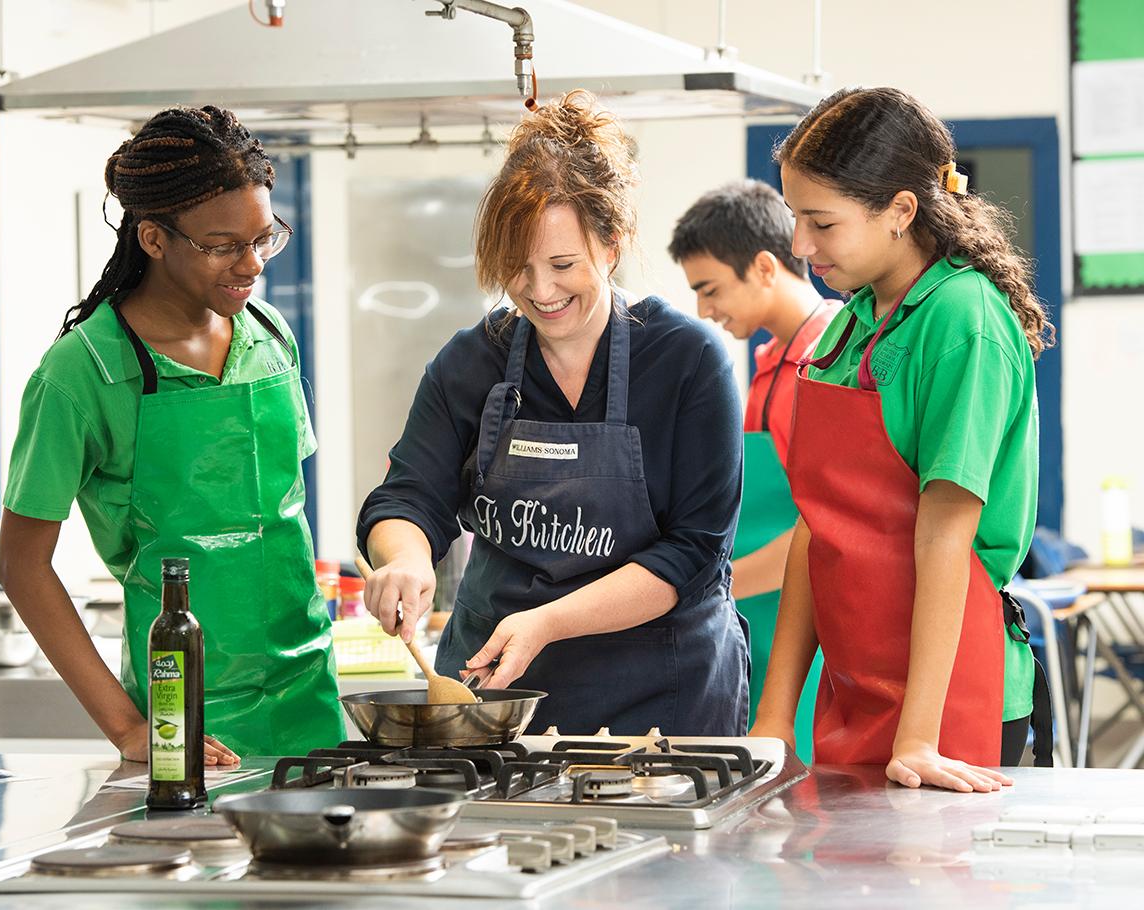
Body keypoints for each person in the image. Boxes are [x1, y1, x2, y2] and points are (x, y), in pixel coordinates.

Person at [357, 90, 748, 735]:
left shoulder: (685, 361)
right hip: (494, 701)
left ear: (612, 244)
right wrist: (405, 558)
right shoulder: (471, 362)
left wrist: (551, 620)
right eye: (517, 267)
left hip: (660, 700)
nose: (540, 291)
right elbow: (408, 496)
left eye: (563, 264)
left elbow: (694, 552)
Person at [0, 106, 344, 762]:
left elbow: (279, 525)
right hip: (186, 723)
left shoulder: (269, 336)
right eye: (222, 246)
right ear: (154, 239)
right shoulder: (82, 373)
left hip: (311, 706)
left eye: (264, 239)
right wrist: (129, 729)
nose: (252, 265)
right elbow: (21, 564)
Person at [750, 87, 1054, 791]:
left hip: (947, 703)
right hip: (854, 690)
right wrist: (774, 714)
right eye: (797, 219)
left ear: (901, 212)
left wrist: (917, 735)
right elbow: (816, 531)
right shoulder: (853, 321)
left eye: (821, 222)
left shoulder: (962, 321)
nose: (800, 246)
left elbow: (944, 537)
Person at [668, 180, 840, 762]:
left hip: (808, 632)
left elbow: (821, 526)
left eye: (710, 289)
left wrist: (708, 595)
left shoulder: (833, 360)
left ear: (765, 267)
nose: (703, 310)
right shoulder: (768, 364)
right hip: (754, 619)